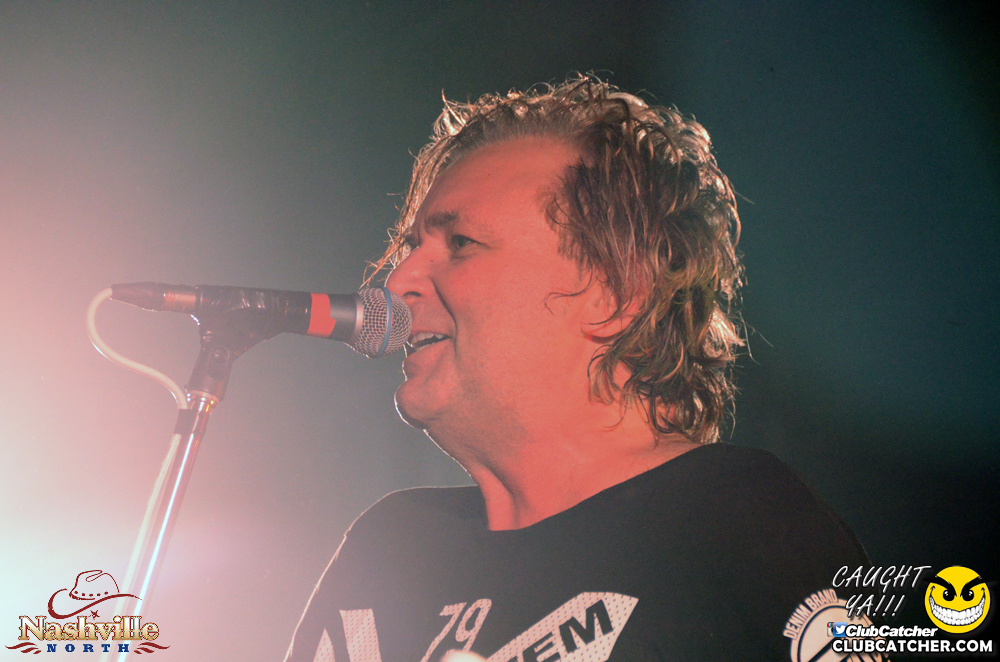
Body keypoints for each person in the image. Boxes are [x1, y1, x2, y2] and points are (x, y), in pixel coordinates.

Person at [285, 76, 868, 662]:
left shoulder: (738, 515)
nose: (398, 280)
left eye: (460, 243)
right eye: (412, 246)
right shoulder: (391, 547)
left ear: (614, 292)